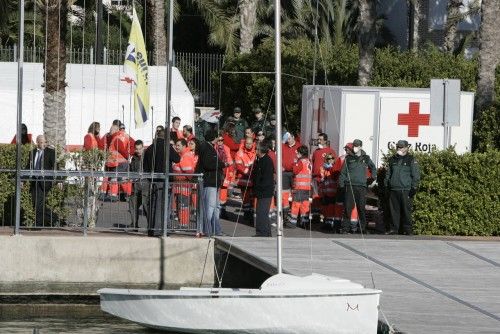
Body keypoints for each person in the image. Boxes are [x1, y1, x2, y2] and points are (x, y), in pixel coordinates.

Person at [143, 128, 180, 236]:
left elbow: (145, 166)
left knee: (153, 204)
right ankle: (161, 229)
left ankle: (152, 228)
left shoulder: (149, 148)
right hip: (164, 180)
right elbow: (177, 159)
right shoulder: (167, 147)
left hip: (152, 180)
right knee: (163, 205)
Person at [338, 139, 377, 234]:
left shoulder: (366, 158)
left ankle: (362, 229)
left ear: (360, 146)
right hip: (350, 186)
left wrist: (372, 177)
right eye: (354, 145)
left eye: (357, 146)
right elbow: (342, 173)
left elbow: (373, 168)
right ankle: (345, 228)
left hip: (362, 186)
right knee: (348, 208)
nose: (355, 147)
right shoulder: (348, 158)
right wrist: (342, 185)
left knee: (361, 208)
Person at [384, 140, 420, 235]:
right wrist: (386, 185)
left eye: (401, 147)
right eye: (398, 147)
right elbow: (388, 174)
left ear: (406, 148)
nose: (399, 149)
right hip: (394, 190)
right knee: (394, 211)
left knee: (406, 211)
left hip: (406, 190)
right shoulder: (392, 159)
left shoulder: (411, 159)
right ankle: (394, 229)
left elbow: (415, 175)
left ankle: (407, 230)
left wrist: (414, 188)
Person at [195, 129, 224, 237]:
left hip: (214, 182)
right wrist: (222, 164)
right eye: (217, 137)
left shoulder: (209, 147)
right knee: (210, 207)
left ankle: (216, 230)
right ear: (214, 138)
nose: (218, 139)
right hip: (209, 181)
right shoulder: (206, 148)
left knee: (216, 207)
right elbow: (208, 164)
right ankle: (207, 230)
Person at [26, 135, 57, 226]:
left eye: (45, 142)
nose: (44, 144)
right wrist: (23, 180)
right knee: (35, 203)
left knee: (39, 203)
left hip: (45, 182)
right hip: (34, 181)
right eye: (42, 142)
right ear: (37, 143)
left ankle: (38, 225)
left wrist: (59, 180)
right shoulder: (32, 152)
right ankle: (53, 217)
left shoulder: (51, 152)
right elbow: (29, 166)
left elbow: (55, 167)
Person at [103, 122, 132, 201]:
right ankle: (127, 195)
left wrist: (126, 157)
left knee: (115, 179)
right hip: (119, 162)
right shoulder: (119, 136)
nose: (110, 131)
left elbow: (122, 149)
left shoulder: (116, 138)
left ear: (116, 130)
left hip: (118, 163)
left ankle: (114, 196)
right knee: (122, 179)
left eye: (111, 129)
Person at [311, 133, 337, 220]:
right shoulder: (316, 151)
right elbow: (312, 163)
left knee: (325, 197)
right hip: (316, 178)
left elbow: (333, 163)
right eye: (318, 139)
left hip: (326, 179)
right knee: (316, 197)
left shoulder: (331, 151)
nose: (319, 141)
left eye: (320, 139)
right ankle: (316, 216)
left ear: (325, 141)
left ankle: (326, 216)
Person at [252, 141, 275, 236]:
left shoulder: (266, 161)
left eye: (257, 149)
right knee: (262, 213)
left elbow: (265, 179)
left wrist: (258, 188)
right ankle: (266, 233)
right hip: (261, 192)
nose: (255, 150)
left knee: (261, 213)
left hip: (265, 192)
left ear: (261, 150)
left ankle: (262, 233)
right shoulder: (260, 160)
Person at [172, 139, 196, 227]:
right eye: (176, 145)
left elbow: (189, 172)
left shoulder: (186, 156)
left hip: (184, 186)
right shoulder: (181, 155)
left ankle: (183, 224)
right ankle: (182, 223)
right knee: (180, 205)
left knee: (183, 206)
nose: (176, 147)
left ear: (184, 146)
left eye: (178, 145)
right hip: (179, 186)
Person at [289, 145, 312, 227]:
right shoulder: (308, 161)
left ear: (301, 153)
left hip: (299, 187)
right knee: (305, 204)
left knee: (296, 204)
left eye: (298, 152)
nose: (296, 153)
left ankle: (292, 222)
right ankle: (304, 222)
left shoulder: (300, 162)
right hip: (307, 187)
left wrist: (294, 163)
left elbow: (295, 170)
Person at [235, 137, 256, 223]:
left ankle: (251, 213)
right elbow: (239, 165)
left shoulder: (256, 152)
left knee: (252, 198)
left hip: (253, 178)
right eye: (247, 143)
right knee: (245, 198)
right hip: (243, 179)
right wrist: (247, 171)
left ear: (253, 143)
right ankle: (247, 214)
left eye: (250, 143)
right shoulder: (239, 153)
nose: (248, 145)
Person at [215, 132, 234, 220]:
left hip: (224, 172)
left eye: (222, 140)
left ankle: (223, 210)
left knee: (223, 192)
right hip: (216, 171)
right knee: (215, 191)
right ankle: (215, 211)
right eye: (218, 140)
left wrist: (229, 169)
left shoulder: (226, 148)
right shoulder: (213, 148)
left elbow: (230, 160)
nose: (220, 142)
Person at [281, 131, 300, 221]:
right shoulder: (283, 146)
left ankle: (294, 213)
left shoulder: (299, 146)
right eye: (286, 139)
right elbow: (278, 157)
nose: (288, 141)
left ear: (293, 137)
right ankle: (285, 211)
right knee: (284, 193)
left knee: (295, 193)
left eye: (289, 138)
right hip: (284, 173)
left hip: (295, 173)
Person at [129, 140, 147, 229]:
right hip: (135, 184)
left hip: (145, 184)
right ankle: (134, 224)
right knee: (133, 205)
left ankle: (150, 226)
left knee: (146, 206)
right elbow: (131, 169)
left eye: (140, 149)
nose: (138, 151)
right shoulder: (134, 158)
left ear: (143, 148)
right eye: (137, 149)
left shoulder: (147, 156)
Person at [319, 153, 337, 226]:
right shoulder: (323, 168)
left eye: (332, 158)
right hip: (325, 191)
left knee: (331, 207)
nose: (330, 160)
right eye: (328, 158)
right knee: (325, 207)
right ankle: (326, 221)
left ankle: (330, 222)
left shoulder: (335, 168)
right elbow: (322, 178)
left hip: (334, 191)